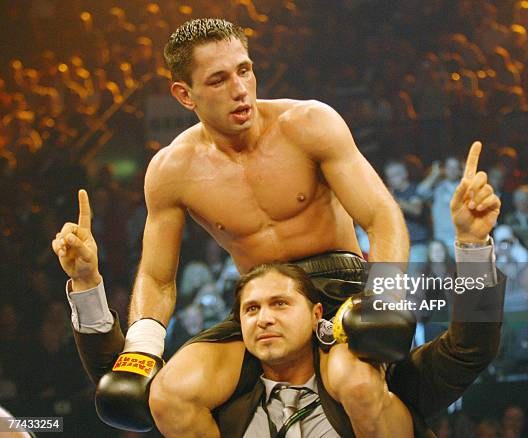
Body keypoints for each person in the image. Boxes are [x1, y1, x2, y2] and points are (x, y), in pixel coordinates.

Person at [52, 18, 504, 437]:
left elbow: (381, 215)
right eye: (218, 79)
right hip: (259, 296)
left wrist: (390, 293)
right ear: (184, 95)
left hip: (340, 288)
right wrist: (141, 351)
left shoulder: (308, 123)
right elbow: (156, 278)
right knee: (168, 393)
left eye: (244, 71)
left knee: (357, 383)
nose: (240, 89)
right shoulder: (172, 170)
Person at [218, 263, 414, 437]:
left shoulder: (363, 392)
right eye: (252, 308)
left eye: (280, 304)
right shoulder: (223, 417)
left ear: (316, 315)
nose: (264, 319)